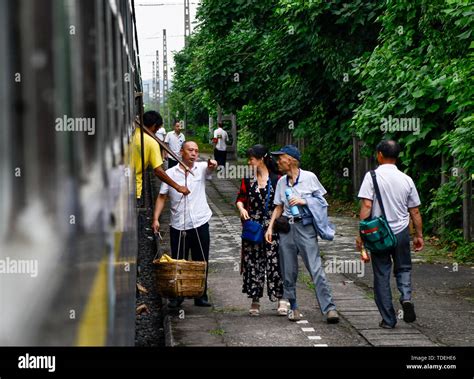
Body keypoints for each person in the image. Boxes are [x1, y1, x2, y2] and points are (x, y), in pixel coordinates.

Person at [265, 145, 340, 324]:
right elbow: (279, 206)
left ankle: (329, 308)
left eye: (280, 158)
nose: (277, 161)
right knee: (288, 270)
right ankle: (294, 307)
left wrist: (303, 201)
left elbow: (322, 203)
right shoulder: (282, 181)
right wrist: (270, 227)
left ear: (290, 160)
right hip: (287, 230)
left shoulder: (309, 177)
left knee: (316, 269)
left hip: (306, 228)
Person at [356, 140, 423, 329]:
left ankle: (388, 319)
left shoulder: (372, 177)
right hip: (401, 231)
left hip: (380, 234)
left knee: (382, 274)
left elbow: (367, 205)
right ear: (397, 156)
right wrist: (419, 235)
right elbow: (415, 211)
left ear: (379, 154)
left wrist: (361, 233)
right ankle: (406, 297)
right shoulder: (406, 179)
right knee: (403, 268)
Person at [152, 141, 218, 308]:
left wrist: (214, 164)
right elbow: (162, 196)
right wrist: (156, 218)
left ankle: (201, 295)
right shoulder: (170, 173)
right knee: (178, 261)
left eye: (196, 150)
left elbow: (211, 169)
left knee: (201, 260)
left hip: (200, 221)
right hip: (178, 224)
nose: (194, 153)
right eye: (190, 150)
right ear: (181, 152)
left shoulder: (201, 168)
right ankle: (177, 295)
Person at [235, 145, 287, 317]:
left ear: (261, 158)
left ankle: (281, 299)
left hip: (273, 228)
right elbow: (240, 198)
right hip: (253, 227)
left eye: (251, 159)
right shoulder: (248, 180)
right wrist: (241, 208)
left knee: (275, 263)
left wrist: (271, 226)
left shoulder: (278, 179)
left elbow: (280, 204)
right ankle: (255, 300)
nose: (249, 162)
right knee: (253, 263)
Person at [132, 111, 189, 204]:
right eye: (157, 129)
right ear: (154, 126)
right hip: (134, 189)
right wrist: (178, 187)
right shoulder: (151, 142)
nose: (157, 131)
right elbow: (158, 171)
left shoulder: (131, 134)